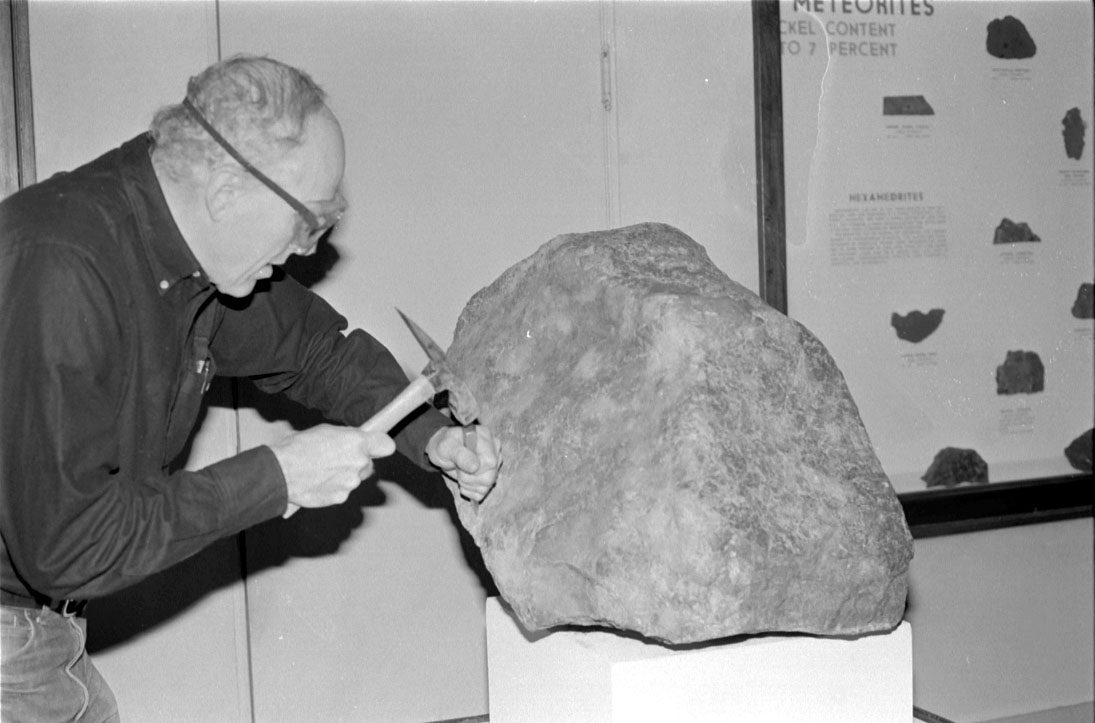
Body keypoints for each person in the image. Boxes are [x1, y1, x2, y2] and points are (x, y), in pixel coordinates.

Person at [0, 54, 501, 722]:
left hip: (44, 631)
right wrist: (278, 477)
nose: (306, 249)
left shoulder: (193, 256)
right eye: (308, 222)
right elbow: (70, 545)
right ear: (227, 191)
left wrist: (431, 436)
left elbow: (314, 349)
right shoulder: (63, 268)